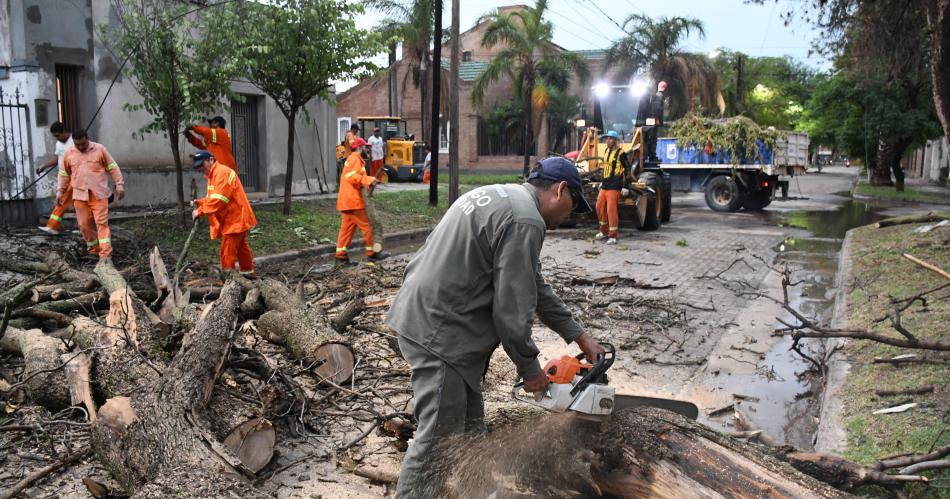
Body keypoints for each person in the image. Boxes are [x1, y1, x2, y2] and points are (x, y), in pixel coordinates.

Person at [386, 156, 606, 497]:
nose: (568, 217)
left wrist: (579, 335)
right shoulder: (526, 221)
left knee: (472, 432)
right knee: (436, 443)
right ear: (560, 189)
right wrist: (531, 369)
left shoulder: (502, 196)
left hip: (432, 320)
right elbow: (512, 314)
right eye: (572, 206)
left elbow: (533, 285)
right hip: (441, 334)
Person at [57, 130, 124, 260]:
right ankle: (94, 249)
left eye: (83, 144)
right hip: (79, 195)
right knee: (83, 225)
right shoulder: (69, 153)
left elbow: (113, 167)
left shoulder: (99, 149)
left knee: (101, 223)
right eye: (78, 145)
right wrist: (60, 191)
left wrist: (119, 185)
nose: (81, 147)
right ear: (74, 143)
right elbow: (64, 174)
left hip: (99, 195)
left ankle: (105, 254)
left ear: (88, 138)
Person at [190, 150, 258, 277]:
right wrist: (200, 202)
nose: (201, 169)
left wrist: (200, 211)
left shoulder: (221, 173)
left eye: (202, 165)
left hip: (235, 219)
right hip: (236, 217)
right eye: (199, 167)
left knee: (227, 251)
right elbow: (214, 198)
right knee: (242, 248)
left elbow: (218, 201)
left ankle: (228, 281)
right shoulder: (214, 174)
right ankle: (248, 274)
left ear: (211, 160)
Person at [335, 137, 384, 266]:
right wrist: (369, 180)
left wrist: (369, 181)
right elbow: (352, 177)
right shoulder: (355, 159)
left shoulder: (354, 159)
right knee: (368, 227)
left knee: (346, 230)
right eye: (365, 147)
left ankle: (340, 257)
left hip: (346, 202)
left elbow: (353, 177)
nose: (367, 149)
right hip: (353, 201)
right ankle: (372, 254)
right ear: (359, 148)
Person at [38, 122, 74, 235]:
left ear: (65, 131)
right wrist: (43, 166)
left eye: (58, 135)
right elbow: (56, 159)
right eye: (55, 136)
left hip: (76, 176)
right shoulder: (59, 143)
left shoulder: (75, 140)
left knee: (62, 200)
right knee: (69, 201)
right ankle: (54, 226)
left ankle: (52, 226)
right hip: (64, 176)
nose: (56, 138)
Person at [595, 130, 629, 244]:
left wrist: (625, 186)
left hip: (615, 186)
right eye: (607, 138)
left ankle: (613, 235)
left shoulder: (621, 154)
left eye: (610, 138)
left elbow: (627, 169)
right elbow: (605, 168)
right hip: (605, 185)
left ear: (615, 140)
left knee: (611, 210)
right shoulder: (606, 151)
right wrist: (601, 181)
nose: (607, 141)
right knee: (599, 206)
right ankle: (603, 231)